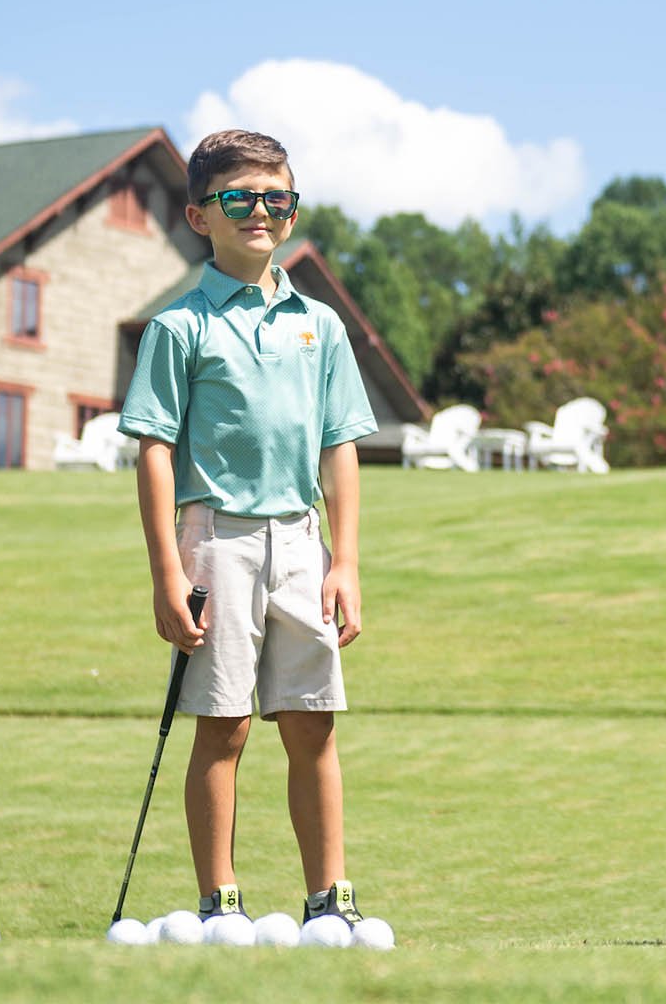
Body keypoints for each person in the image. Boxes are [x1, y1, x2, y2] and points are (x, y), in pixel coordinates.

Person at [119, 129, 379, 929]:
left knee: (311, 723)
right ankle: (220, 898)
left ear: (292, 211)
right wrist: (167, 570)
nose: (260, 211)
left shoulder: (322, 327)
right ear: (201, 215)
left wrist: (347, 563)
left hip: (302, 542)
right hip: (214, 539)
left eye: (277, 198)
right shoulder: (178, 328)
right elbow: (155, 453)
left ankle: (328, 898)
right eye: (240, 199)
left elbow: (339, 447)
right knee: (225, 725)